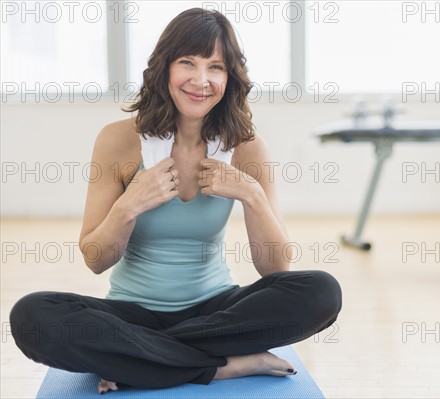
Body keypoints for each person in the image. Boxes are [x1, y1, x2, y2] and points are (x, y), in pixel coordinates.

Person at [9, 8, 342, 394]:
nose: (201, 81)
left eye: (215, 67)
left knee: (322, 291)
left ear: (229, 78)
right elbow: (95, 259)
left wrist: (252, 196)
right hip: (131, 317)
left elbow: (276, 270)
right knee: (32, 317)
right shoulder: (118, 140)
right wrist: (130, 204)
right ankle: (218, 368)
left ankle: (142, 360)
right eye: (188, 62)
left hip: (217, 313)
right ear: (164, 68)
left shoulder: (247, 149)